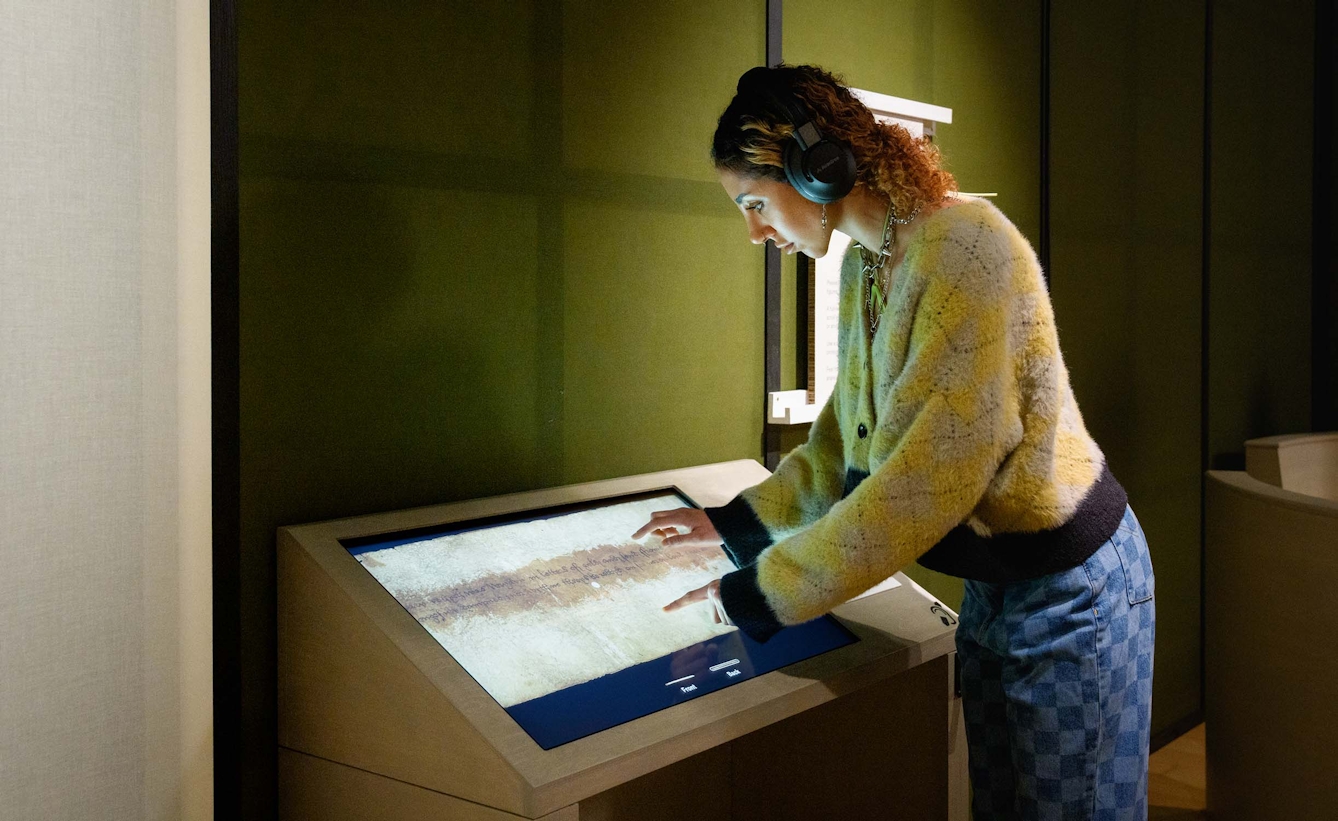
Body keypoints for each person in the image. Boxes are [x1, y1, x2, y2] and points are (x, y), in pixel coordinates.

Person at [632, 64, 1156, 820]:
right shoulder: (873, 265)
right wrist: (730, 525)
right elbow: (840, 444)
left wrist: (755, 592)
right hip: (997, 588)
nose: (753, 230)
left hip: (1074, 587)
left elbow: (919, 488)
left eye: (754, 203)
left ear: (816, 170)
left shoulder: (968, 252)